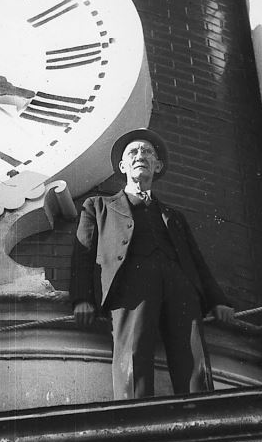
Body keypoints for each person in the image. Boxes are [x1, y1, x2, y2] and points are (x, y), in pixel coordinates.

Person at [70, 128, 234, 399]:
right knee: (133, 358)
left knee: (195, 359)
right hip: (131, 290)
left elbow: (196, 263)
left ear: (158, 166)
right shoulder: (98, 206)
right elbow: (83, 255)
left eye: (147, 152)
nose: (140, 156)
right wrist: (81, 299)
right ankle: (134, 417)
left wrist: (218, 301)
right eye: (133, 152)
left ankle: (202, 415)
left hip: (180, 289)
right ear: (122, 166)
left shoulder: (174, 216)